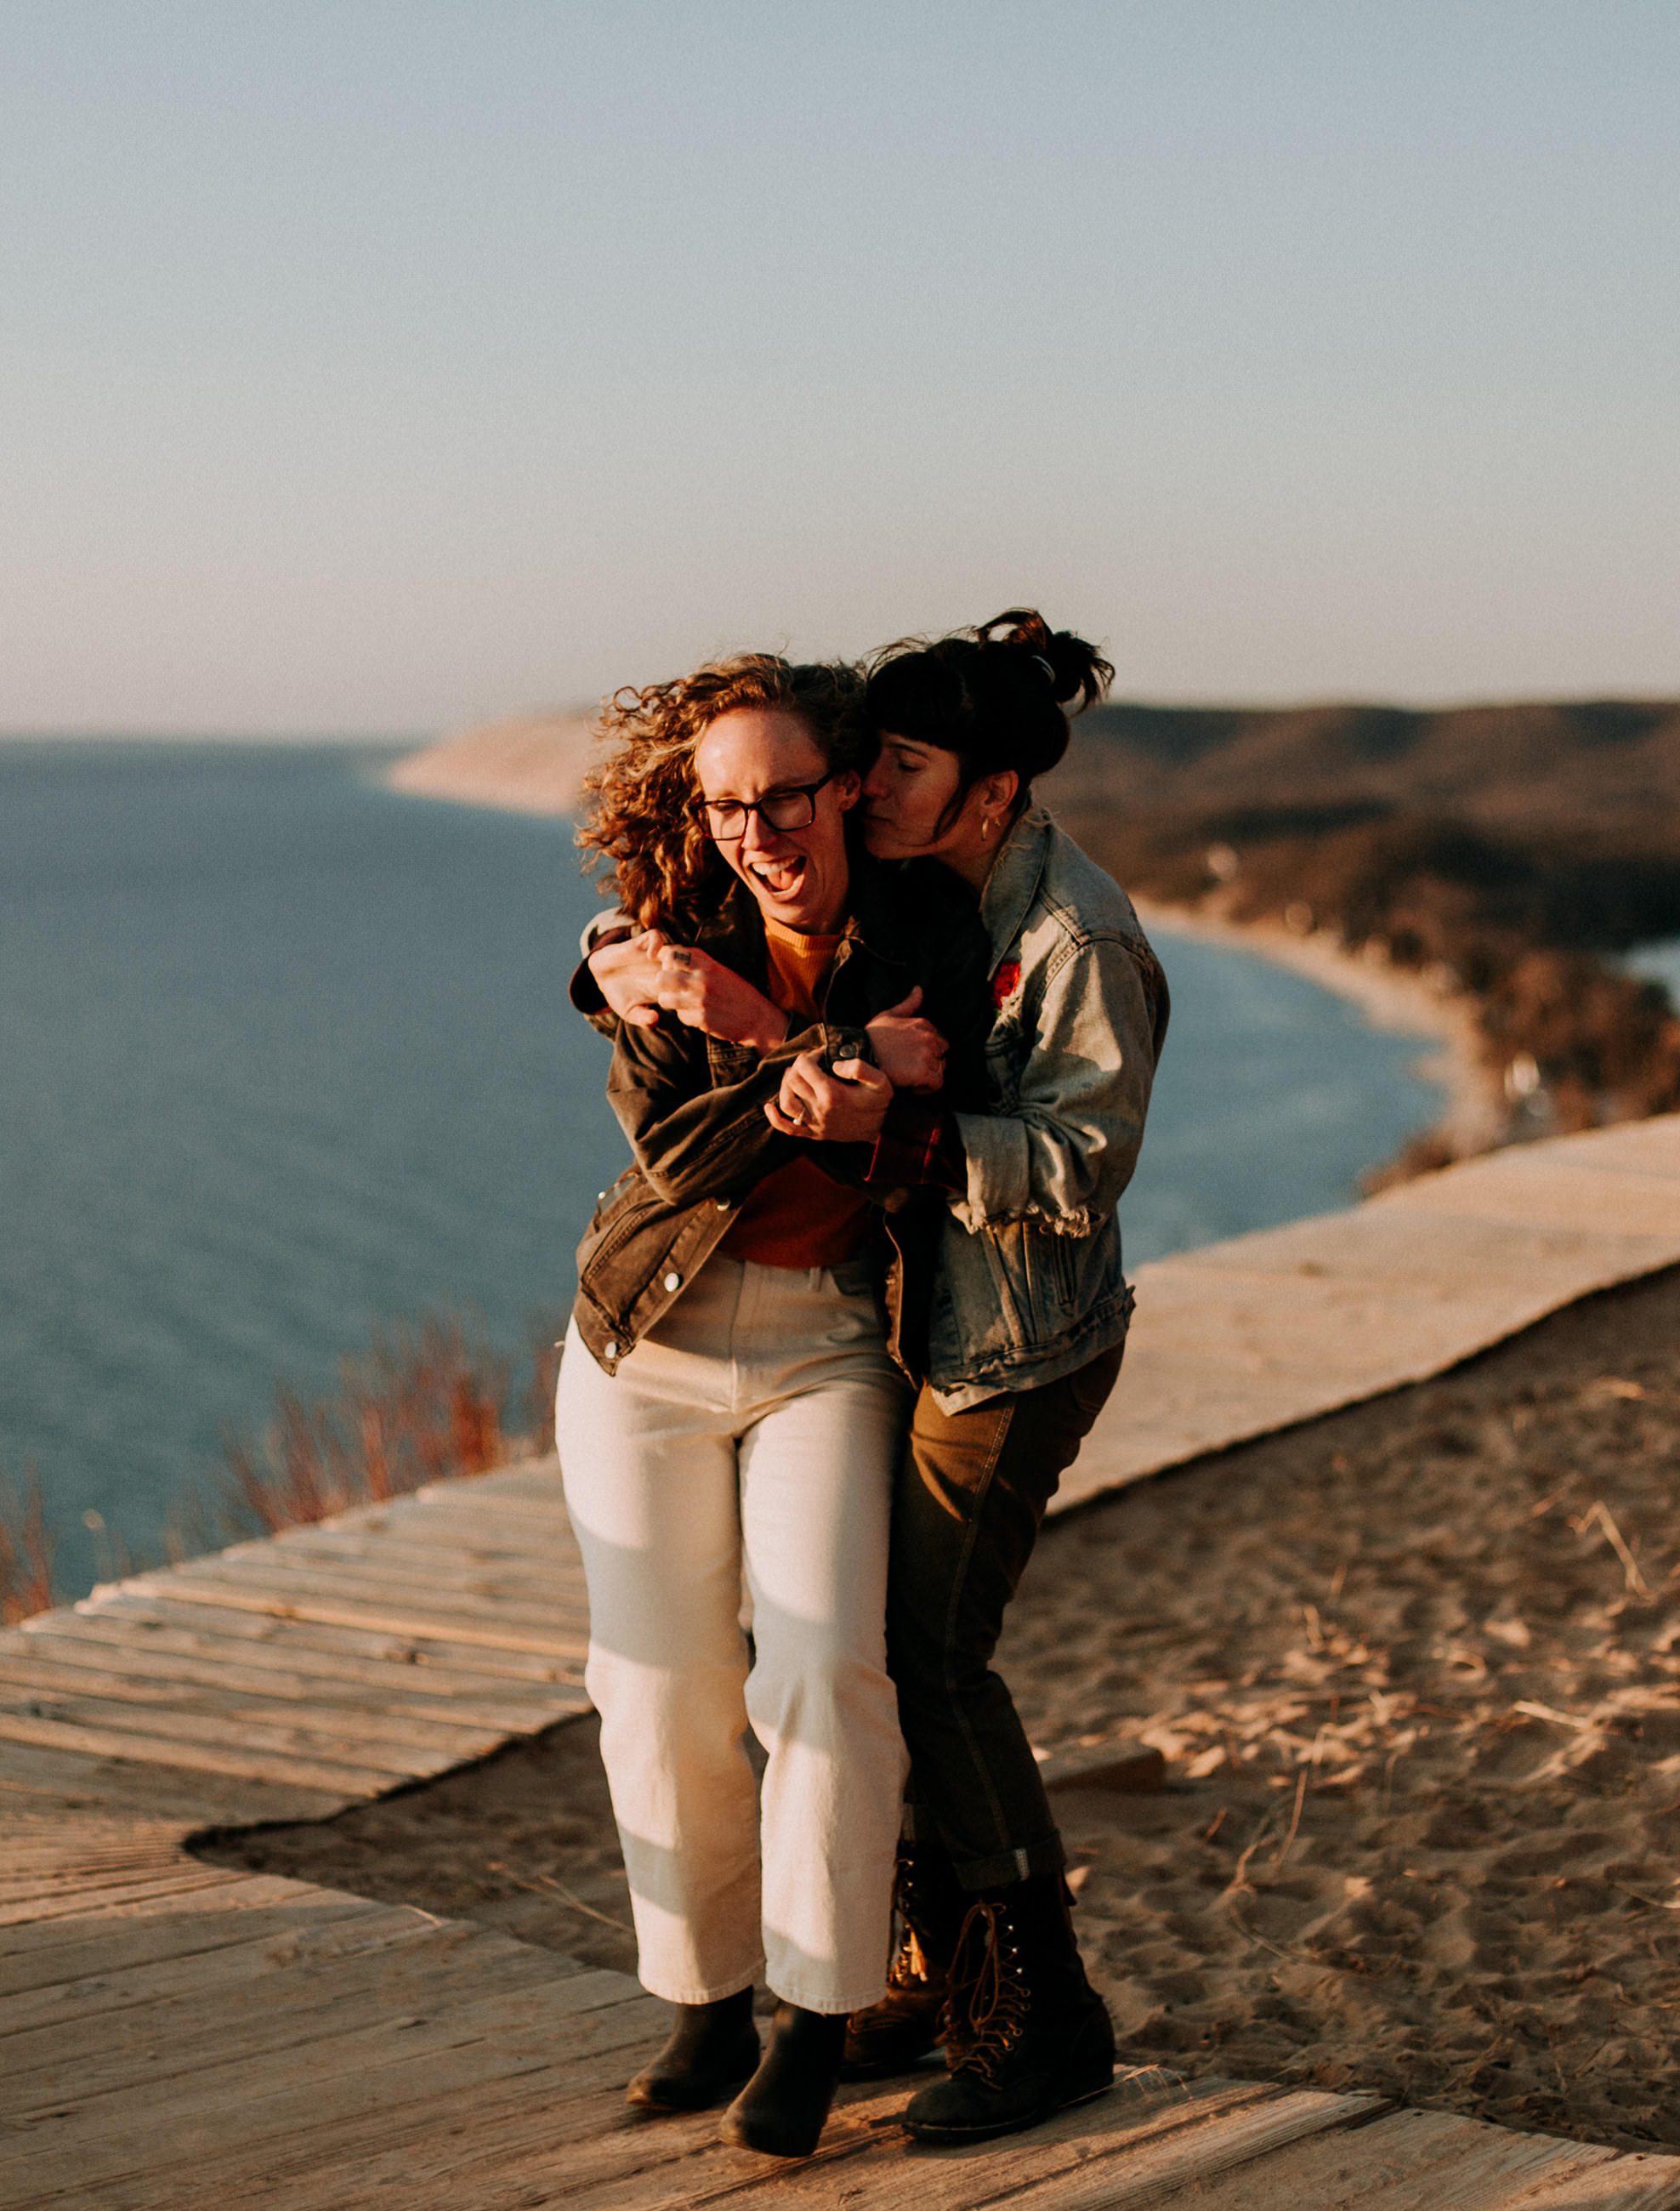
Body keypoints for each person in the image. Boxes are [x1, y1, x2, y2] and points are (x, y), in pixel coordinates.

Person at [586, 611, 1167, 2146]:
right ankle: (908, 1973)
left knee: (918, 1659)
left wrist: (877, 1127)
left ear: (983, 789)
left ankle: (1046, 2017)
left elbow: (1080, 1168)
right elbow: (674, 986)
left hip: (1008, 1350)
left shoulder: (1070, 937)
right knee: (863, 1658)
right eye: (872, 761)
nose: (862, 791)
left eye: (894, 767)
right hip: (906, 1328)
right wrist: (620, 966)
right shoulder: (930, 886)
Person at [556, 649, 987, 2159]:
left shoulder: (929, 918)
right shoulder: (668, 936)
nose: (759, 832)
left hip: (826, 1341)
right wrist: (819, 1056)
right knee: (655, 1682)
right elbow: (682, 1149)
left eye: (786, 796)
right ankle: (704, 1997)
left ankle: (817, 2013)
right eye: (728, 806)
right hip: (647, 1334)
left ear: (848, 783)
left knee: (821, 1670)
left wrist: (883, 1103)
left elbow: (946, 1124)